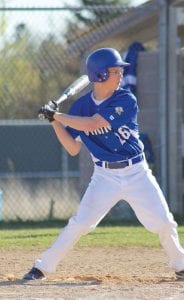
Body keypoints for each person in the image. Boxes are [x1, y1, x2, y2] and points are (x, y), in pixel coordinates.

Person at [23, 48, 184, 281]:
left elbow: (91, 124)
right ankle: (42, 267)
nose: (120, 76)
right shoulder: (80, 107)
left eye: (120, 71)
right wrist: (53, 121)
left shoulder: (125, 99)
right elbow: (72, 147)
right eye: (115, 71)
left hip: (137, 172)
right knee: (80, 224)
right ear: (99, 76)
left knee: (164, 222)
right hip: (104, 176)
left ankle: (180, 264)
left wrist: (57, 116)